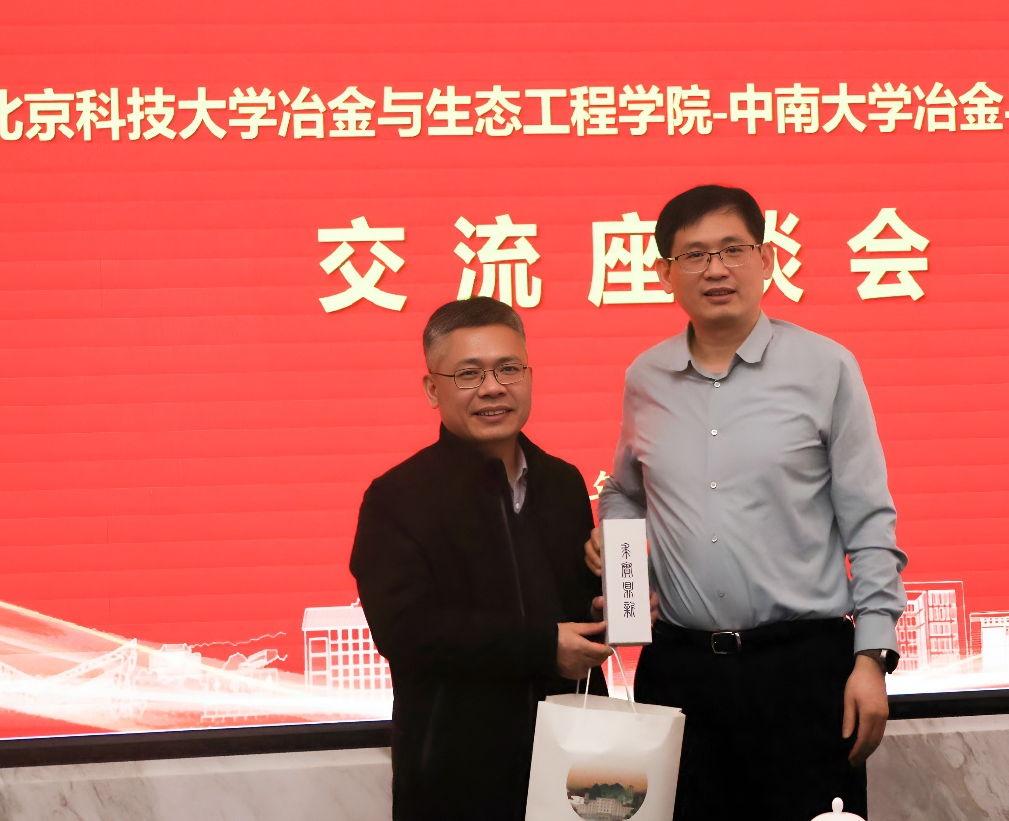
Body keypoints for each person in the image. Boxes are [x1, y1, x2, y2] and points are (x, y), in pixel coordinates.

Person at [586, 185, 908, 820]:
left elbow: (869, 520)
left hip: (802, 669)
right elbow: (624, 490)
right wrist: (629, 581)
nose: (716, 269)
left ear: (766, 260)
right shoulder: (645, 378)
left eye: (733, 249)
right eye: (695, 255)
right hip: (680, 673)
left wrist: (872, 658)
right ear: (665, 273)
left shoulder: (826, 367)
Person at [352, 297, 612, 821]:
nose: (493, 388)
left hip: (572, 766)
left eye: (508, 369)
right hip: (457, 776)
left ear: (529, 377)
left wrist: (615, 607)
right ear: (433, 389)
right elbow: (404, 632)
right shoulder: (398, 497)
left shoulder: (563, 482)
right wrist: (542, 647)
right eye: (469, 374)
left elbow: (573, 613)